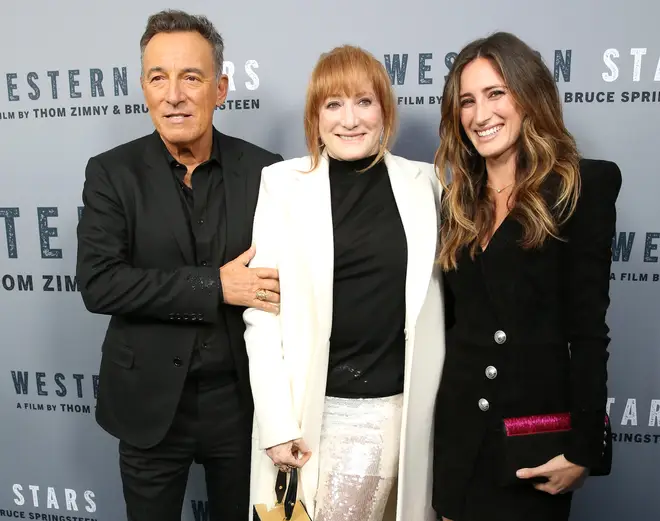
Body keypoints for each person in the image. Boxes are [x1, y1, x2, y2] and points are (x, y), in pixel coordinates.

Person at [76, 9, 283, 521]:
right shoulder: (110, 173)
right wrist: (215, 285)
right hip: (147, 404)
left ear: (220, 88)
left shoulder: (265, 170)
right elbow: (100, 284)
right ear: (144, 88)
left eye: (191, 77)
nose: (174, 94)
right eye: (158, 77)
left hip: (243, 408)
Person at [243, 45, 445, 521]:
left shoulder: (429, 183)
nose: (350, 119)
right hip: (306, 411)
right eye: (333, 104)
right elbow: (262, 313)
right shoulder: (282, 183)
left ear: (384, 112)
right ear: (315, 119)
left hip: (391, 411)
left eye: (364, 101)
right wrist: (275, 421)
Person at [431, 31, 622, 521]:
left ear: (528, 95)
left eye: (496, 93)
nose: (480, 114)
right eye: (467, 101)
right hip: (457, 447)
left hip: (529, 450)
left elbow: (588, 332)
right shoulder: (455, 203)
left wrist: (584, 450)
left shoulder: (581, 187)